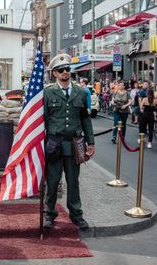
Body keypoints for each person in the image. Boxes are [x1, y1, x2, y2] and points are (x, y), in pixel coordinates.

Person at [42, 54, 95, 231]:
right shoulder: (48, 92)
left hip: (75, 143)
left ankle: (76, 214)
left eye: (67, 69)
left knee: (73, 181)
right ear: (54, 74)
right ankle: (49, 214)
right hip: (54, 143)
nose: (65, 72)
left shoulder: (80, 92)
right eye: (61, 70)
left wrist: (91, 142)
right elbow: (42, 118)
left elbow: (85, 119)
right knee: (53, 180)